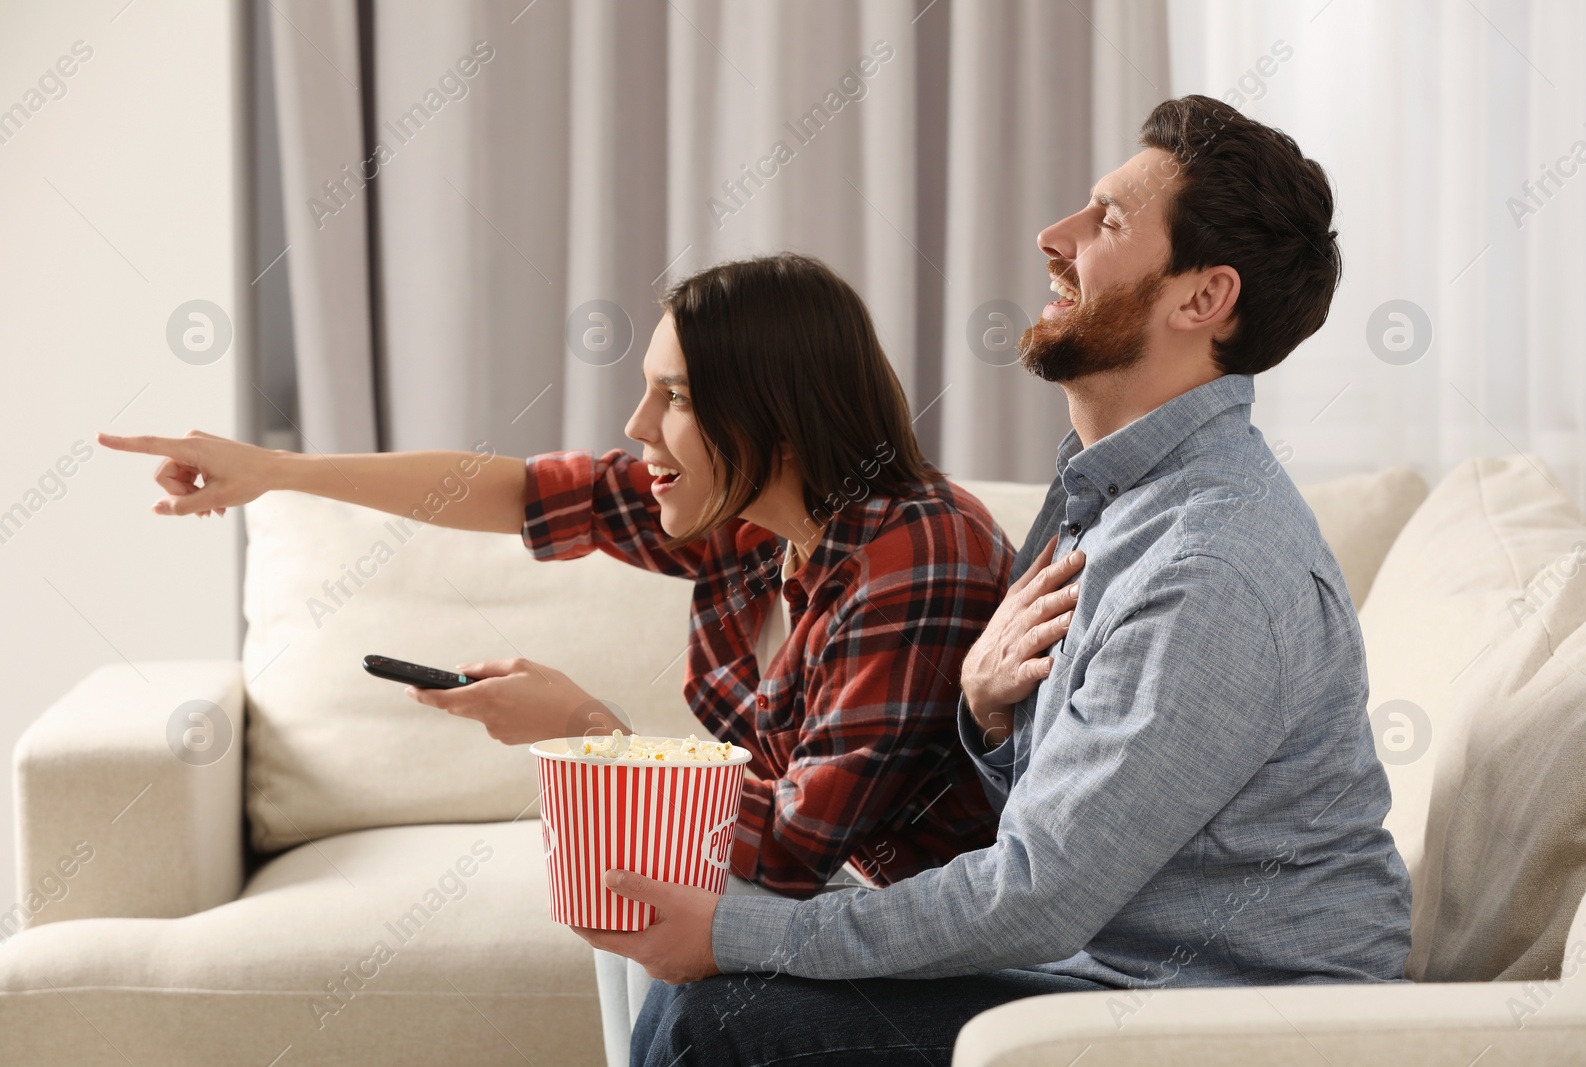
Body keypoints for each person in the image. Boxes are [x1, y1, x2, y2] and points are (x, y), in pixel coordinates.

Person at [575, 95, 1415, 1067]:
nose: (1049, 238)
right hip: (1106, 973)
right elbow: (1095, 813)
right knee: (709, 934)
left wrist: (729, 934)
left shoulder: (1205, 565)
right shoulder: (1106, 497)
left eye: (1103, 222)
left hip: (1217, 1021)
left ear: (1201, 298)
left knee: (717, 1008)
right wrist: (988, 711)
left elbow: (1038, 891)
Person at [99, 252, 1058, 1067]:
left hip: (933, 939)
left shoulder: (912, 556)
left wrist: (589, 736)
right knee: (616, 904)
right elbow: (517, 492)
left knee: (687, 999)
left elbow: (800, 846)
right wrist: (280, 473)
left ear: (776, 419)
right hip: (831, 901)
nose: (639, 426)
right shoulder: (754, 518)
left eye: (674, 397)